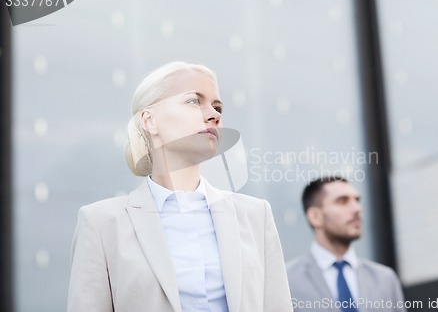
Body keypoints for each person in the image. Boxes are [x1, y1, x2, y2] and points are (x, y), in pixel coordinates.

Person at [68, 61, 292, 312]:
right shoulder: (101, 224)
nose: (214, 115)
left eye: (217, 107)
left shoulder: (256, 216)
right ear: (149, 120)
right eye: (194, 101)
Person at [286, 177, 406, 312]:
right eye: (342, 201)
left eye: (357, 200)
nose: (357, 209)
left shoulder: (385, 279)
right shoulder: (287, 281)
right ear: (315, 216)